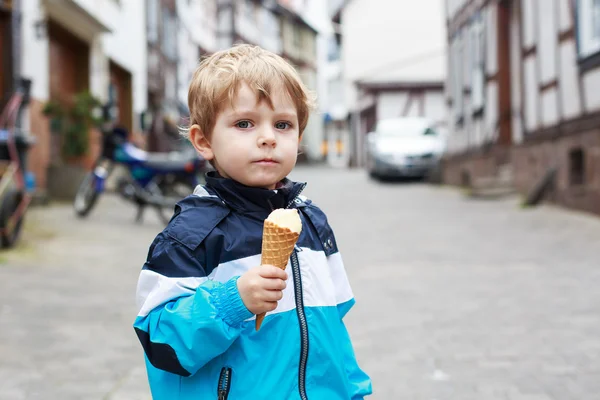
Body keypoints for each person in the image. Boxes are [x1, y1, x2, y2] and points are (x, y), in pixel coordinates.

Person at [133, 44, 372, 399]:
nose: (268, 137)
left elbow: (332, 329)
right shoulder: (192, 234)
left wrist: (352, 391)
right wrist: (232, 302)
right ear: (203, 140)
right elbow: (161, 342)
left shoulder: (312, 222)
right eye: (244, 123)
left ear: (299, 137)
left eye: (283, 124)